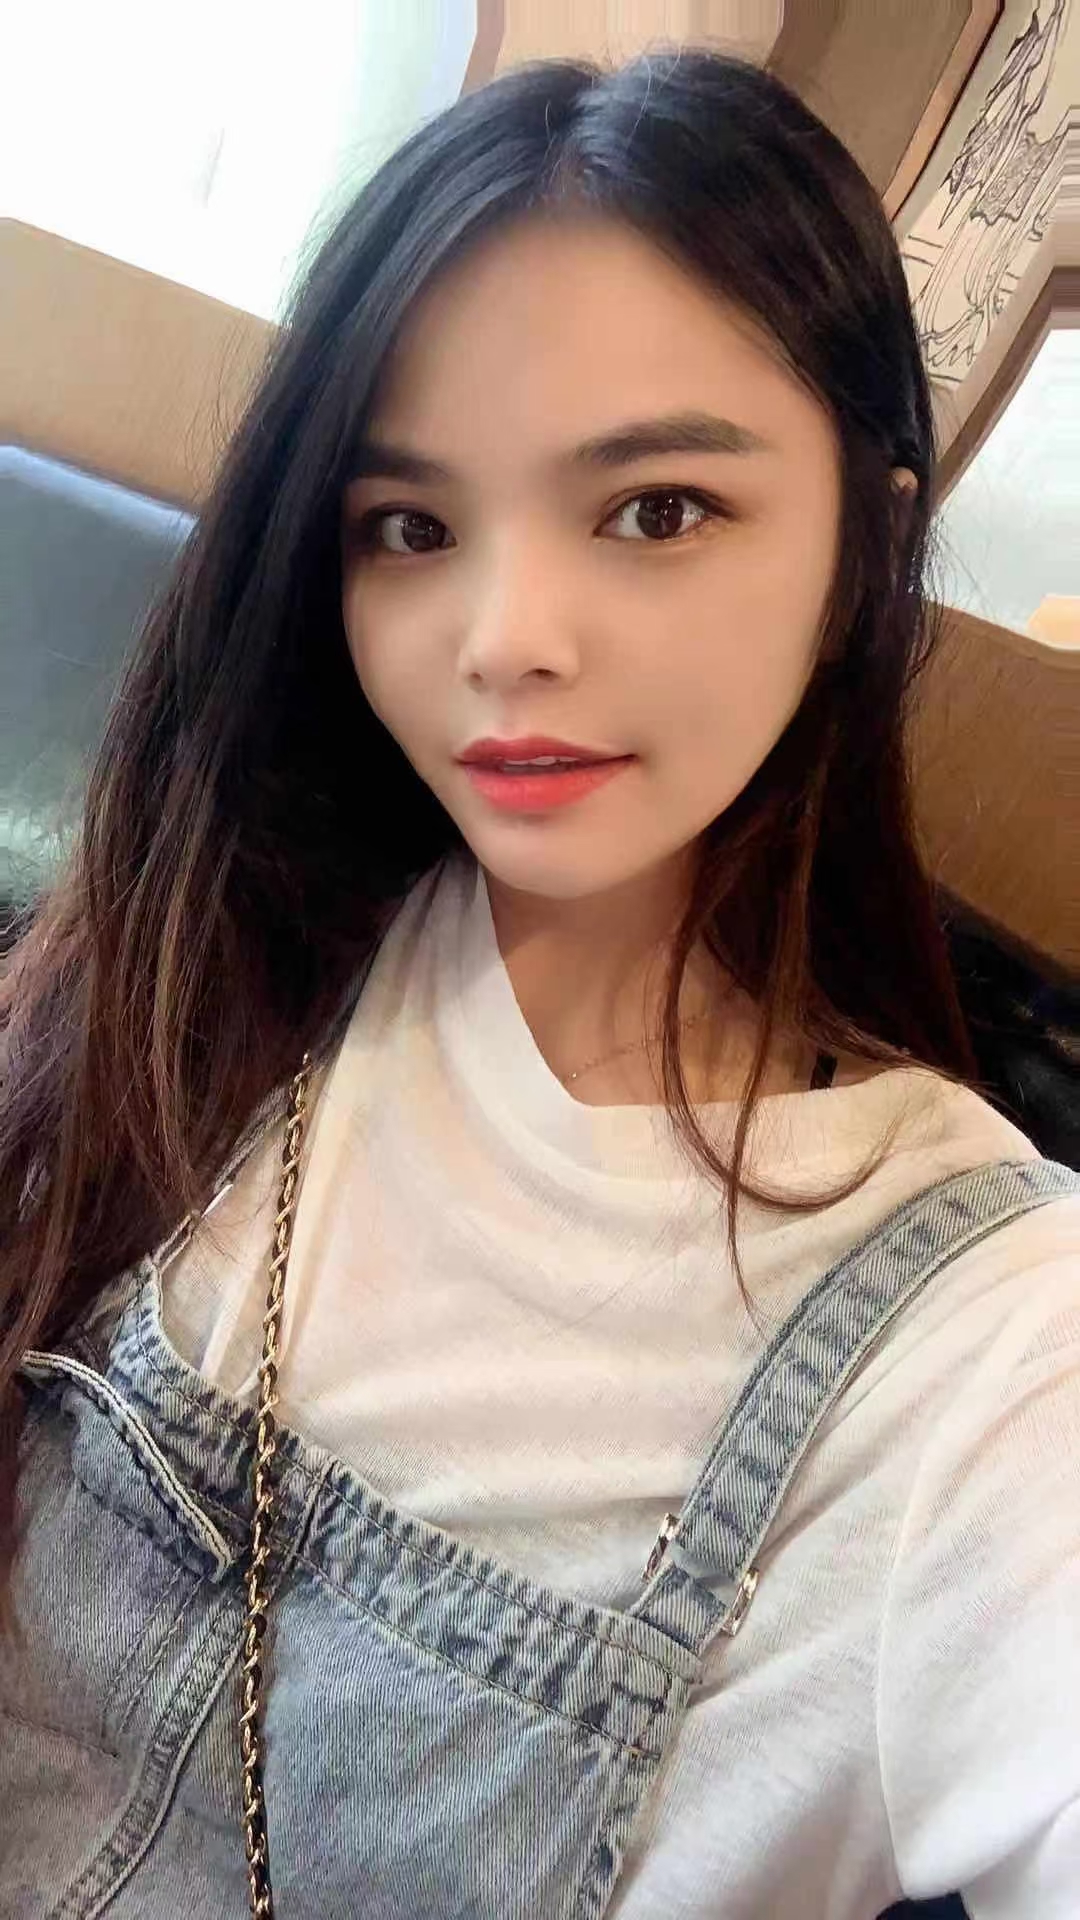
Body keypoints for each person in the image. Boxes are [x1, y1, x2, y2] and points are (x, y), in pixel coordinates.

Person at [0, 46, 1076, 1920]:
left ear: (870, 539)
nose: (504, 641)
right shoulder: (224, 939)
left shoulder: (980, 1350)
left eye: (656, 509)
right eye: (411, 528)